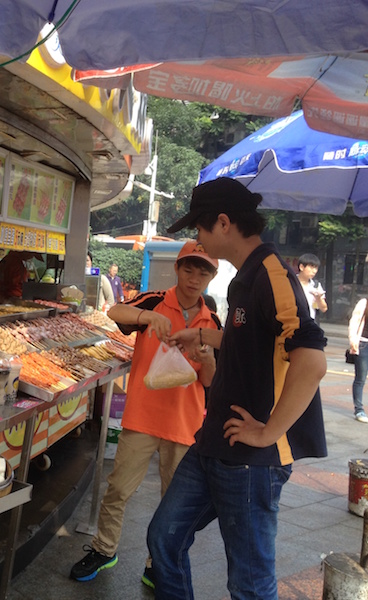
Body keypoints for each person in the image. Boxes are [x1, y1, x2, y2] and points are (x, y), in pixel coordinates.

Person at [147, 177, 327, 599]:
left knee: (248, 582)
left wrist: (268, 432)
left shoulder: (273, 275)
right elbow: (258, 343)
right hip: (214, 443)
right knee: (164, 539)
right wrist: (206, 337)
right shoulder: (243, 278)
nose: (198, 239)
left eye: (200, 229)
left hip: (252, 461)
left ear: (224, 223)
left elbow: (312, 360)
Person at [69, 241, 220, 588]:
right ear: (178, 269)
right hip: (143, 417)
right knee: (119, 488)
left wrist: (207, 358)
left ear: (211, 277)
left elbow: (210, 381)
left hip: (186, 423)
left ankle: (158, 564)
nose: (194, 278)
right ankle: (104, 549)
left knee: (174, 503)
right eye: (189, 269)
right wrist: (147, 317)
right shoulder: (154, 299)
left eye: (203, 271)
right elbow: (114, 313)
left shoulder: (211, 321)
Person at [348, 298, 368, 423]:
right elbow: (354, 322)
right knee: (360, 379)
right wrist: (353, 341)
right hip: (363, 344)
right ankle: (359, 410)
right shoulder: (364, 303)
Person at [296, 253, 328, 320]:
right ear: (301, 267)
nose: (314, 271)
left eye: (316, 268)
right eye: (311, 267)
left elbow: (324, 308)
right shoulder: (291, 283)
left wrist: (318, 298)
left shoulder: (316, 285)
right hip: (293, 323)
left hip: (310, 324)